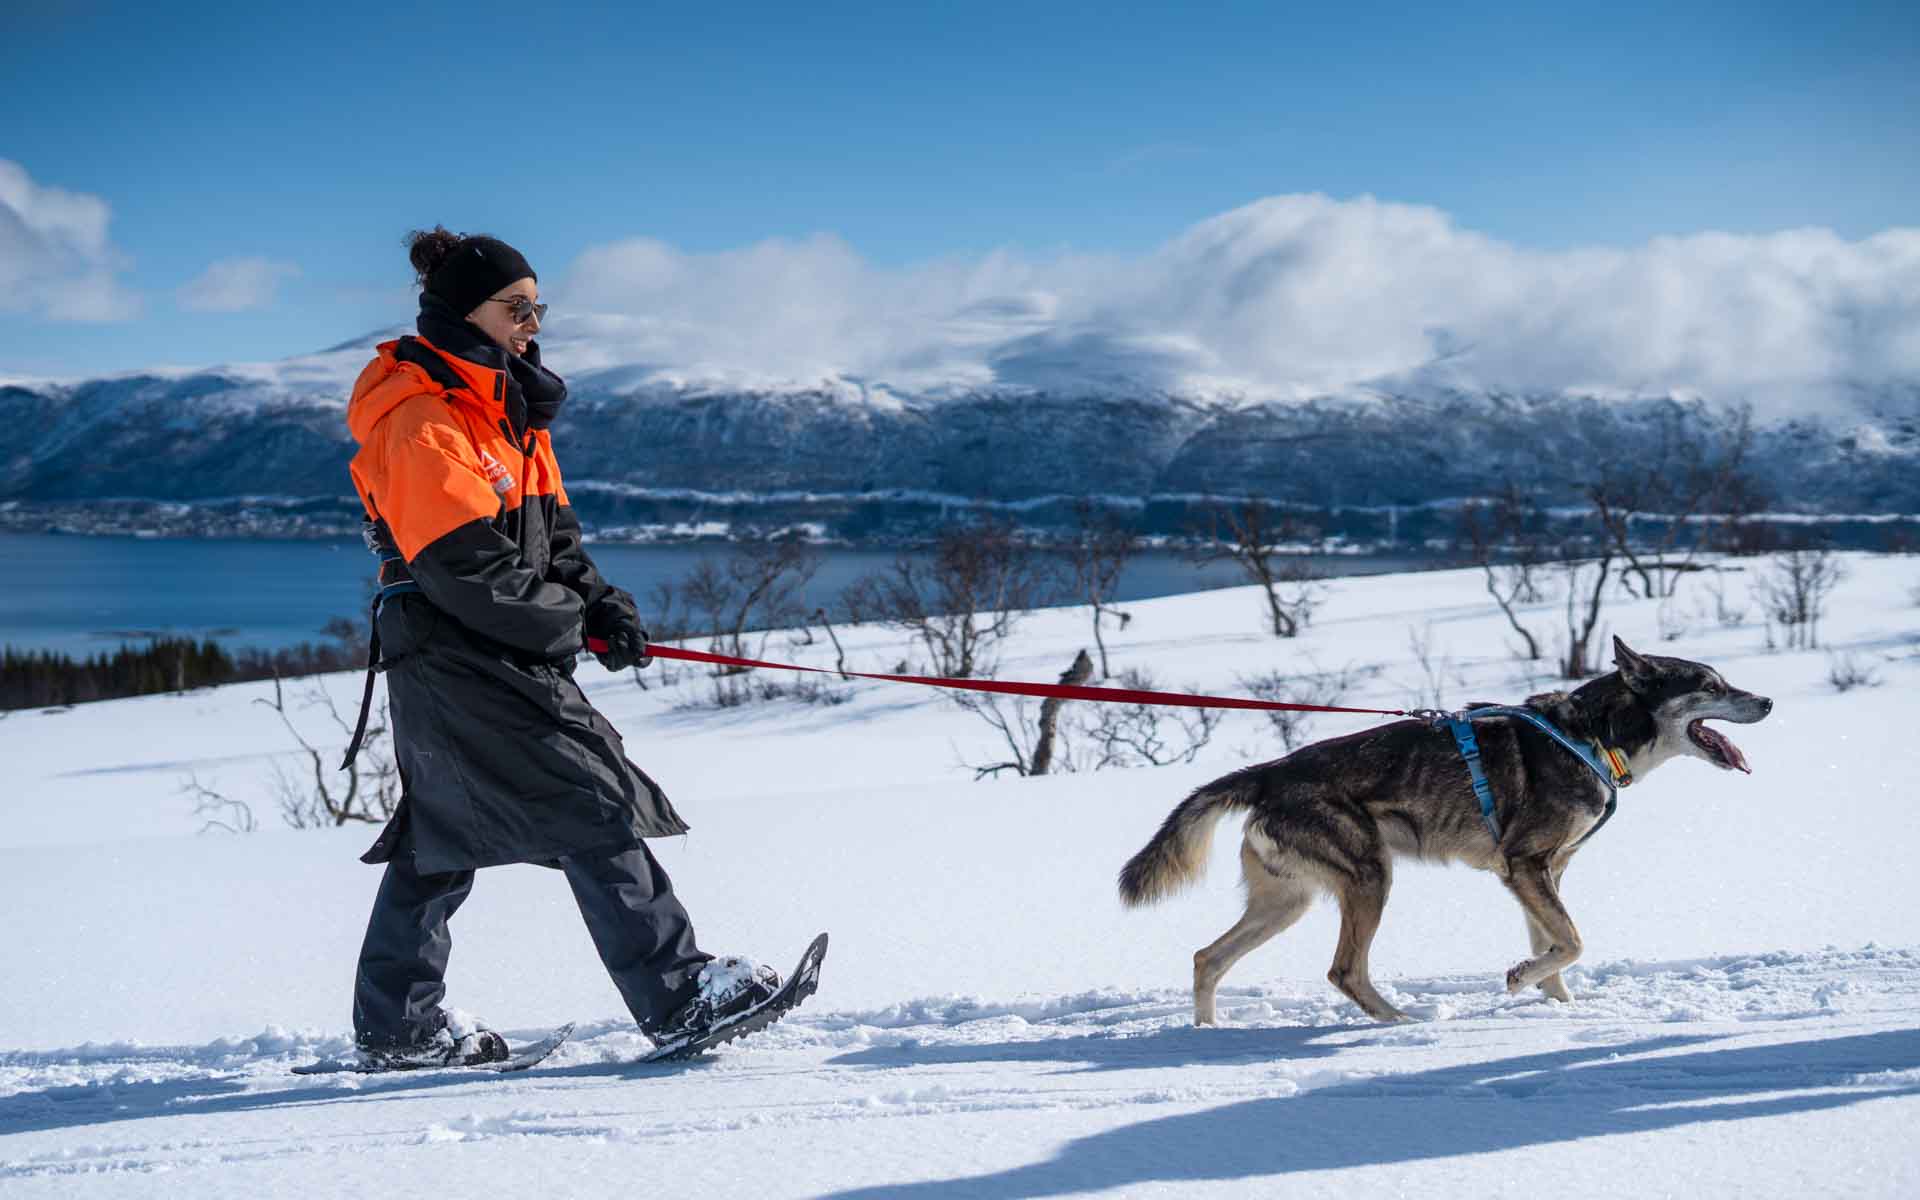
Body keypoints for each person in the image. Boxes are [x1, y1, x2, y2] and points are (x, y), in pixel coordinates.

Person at [340, 227, 777, 1067]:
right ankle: (679, 995)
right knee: (590, 798)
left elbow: (556, 549)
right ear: (464, 311)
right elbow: (463, 566)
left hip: (483, 644)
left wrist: (602, 607)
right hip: (452, 644)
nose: (533, 321)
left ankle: (398, 1027)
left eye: (538, 306)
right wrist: (567, 624)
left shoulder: (509, 413)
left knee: (447, 830)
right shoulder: (422, 417)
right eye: (517, 306)